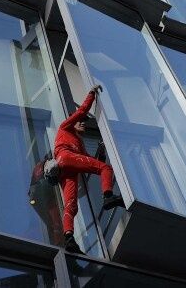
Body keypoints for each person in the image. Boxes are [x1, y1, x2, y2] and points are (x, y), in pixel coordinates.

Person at [55, 84, 124, 252]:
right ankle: (108, 196)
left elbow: (88, 162)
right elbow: (82, 111)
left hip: (67, 167)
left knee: (71, 205)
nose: (84, 124)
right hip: (65, 157)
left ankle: (69, 238)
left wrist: (100, 152)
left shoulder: (79, 142)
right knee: (106, 168)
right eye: (81, 122)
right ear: (73, 121)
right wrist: (91, 93)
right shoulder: (65, 127)